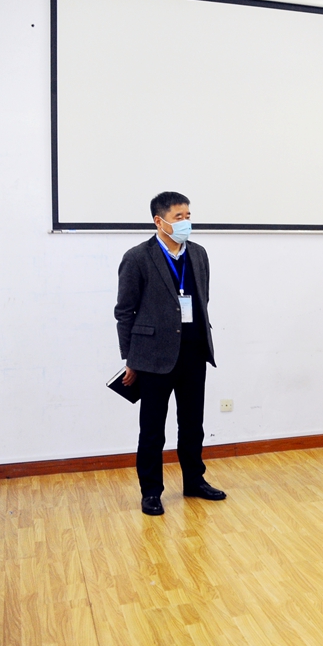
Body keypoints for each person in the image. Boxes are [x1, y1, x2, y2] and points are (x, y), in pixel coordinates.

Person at [114, 191, 226, 516]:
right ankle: (151, 491)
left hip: (193, 352)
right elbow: (124, 312)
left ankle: (194, 480)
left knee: (192, 425)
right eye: (179, 217)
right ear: (159, 221)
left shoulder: (199, 254)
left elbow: (202, 300)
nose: (186, 222)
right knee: (152, 430)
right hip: (153, 358)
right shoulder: (137, 257)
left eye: (188, 216)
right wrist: (131, 359)